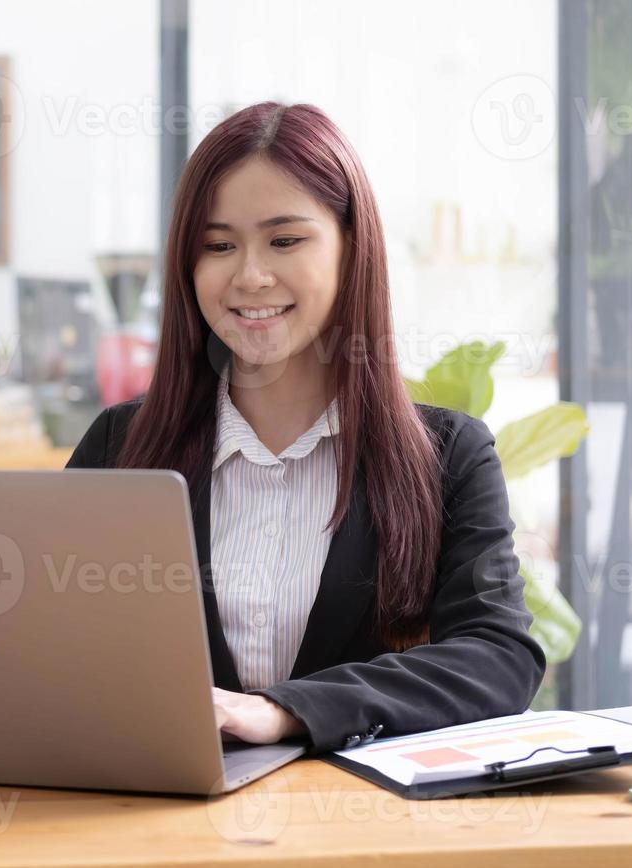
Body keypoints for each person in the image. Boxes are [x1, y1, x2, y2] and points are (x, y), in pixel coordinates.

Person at [65, 102, 546, 754]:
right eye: (218, 245)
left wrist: (285, 711)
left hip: (359, 837)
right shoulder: (122, 449)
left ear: (354, 250)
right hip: (160, 829)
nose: (249, 276)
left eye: (285, 240)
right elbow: (48, 646)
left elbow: (498, 658)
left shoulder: (448, 456)